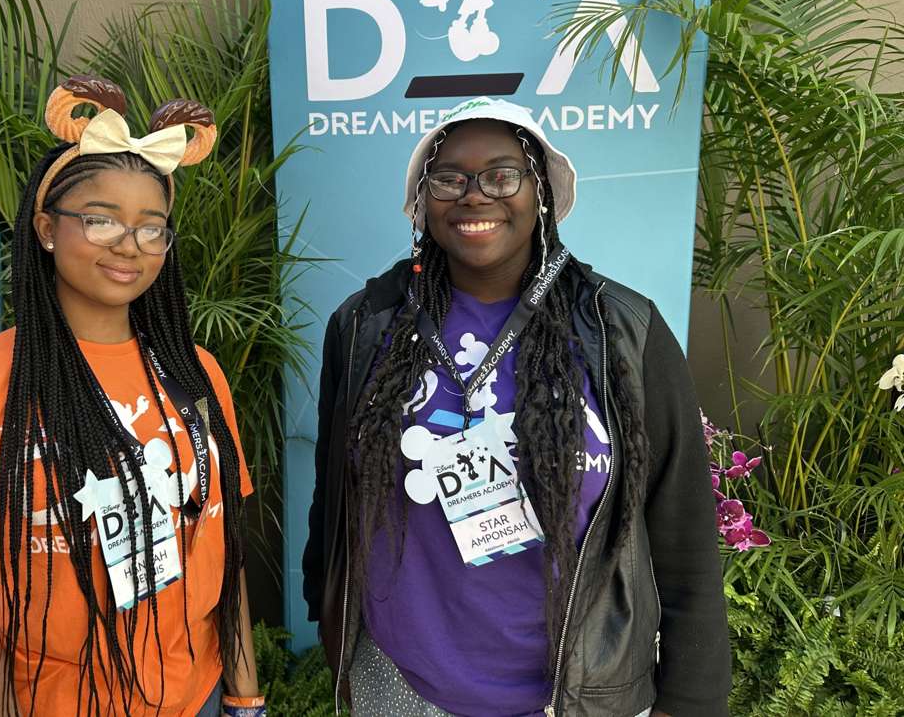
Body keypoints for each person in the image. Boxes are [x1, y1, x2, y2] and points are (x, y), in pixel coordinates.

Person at [301, 97, 730, 717]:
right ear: (422, 199)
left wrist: (692, 697)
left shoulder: (621, 331)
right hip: (401, 684)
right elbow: (333, 493)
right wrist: (328, 616)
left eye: (502, 176)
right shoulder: (367, 323)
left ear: (541, 192)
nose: (475, 196)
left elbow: (682, 518)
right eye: (448, 179)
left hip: (580, 693)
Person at [0, 76, 267, 717]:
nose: (129, 244)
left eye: (152, 228)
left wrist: (245, 696)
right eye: (100, 220)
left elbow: (222, 544)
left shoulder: (197, 371)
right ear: (46, 228)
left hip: (199, 695)